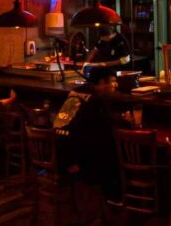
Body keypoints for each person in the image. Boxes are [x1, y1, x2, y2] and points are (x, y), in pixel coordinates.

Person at [53, 68, 126, 202]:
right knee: (112, 149)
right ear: (102, 82)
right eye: (113, 82)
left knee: (100, 139)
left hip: (57, 157)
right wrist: (126, 120)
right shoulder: (97, 98)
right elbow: (109, 121)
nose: (115, 85)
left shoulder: (74, 92)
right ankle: (114, 200)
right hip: (75, 162)